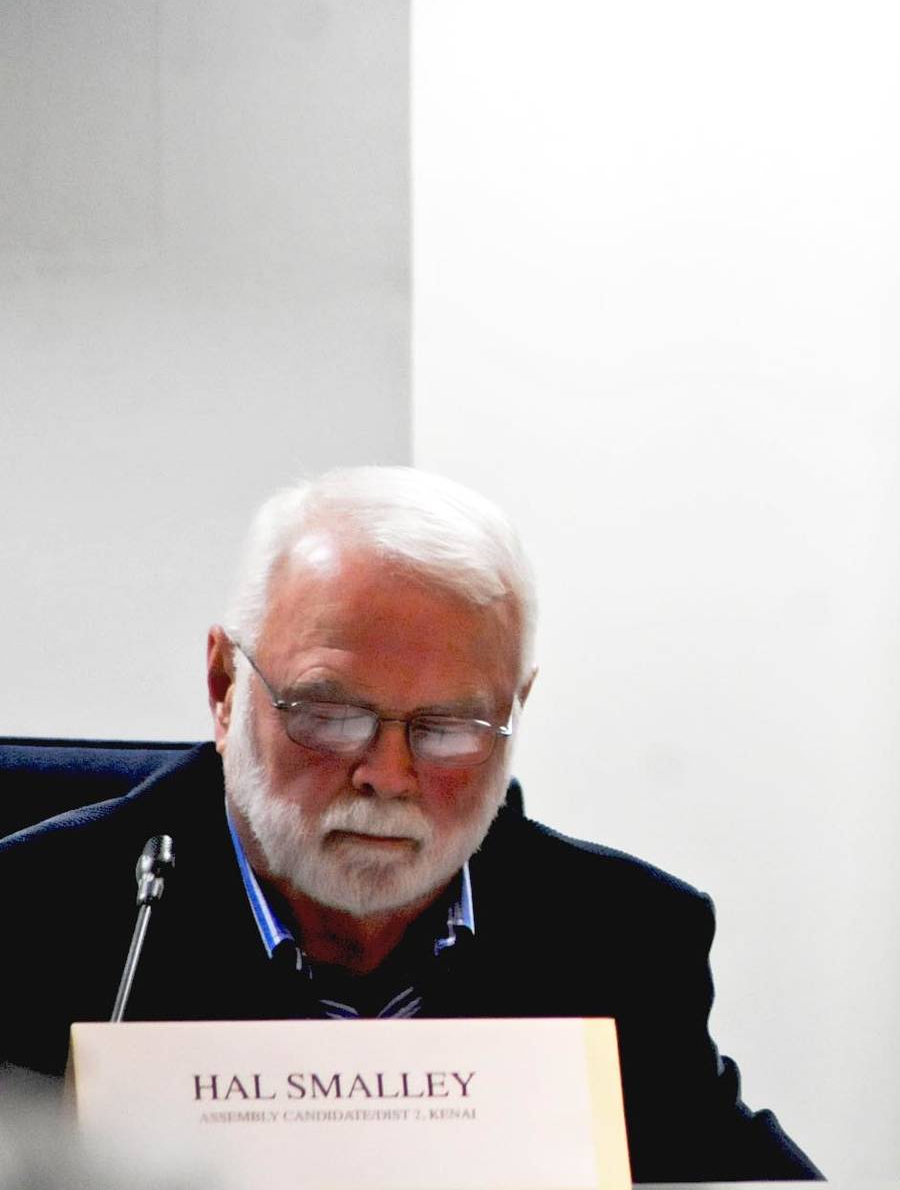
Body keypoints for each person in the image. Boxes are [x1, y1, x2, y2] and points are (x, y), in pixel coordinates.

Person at [0, 466, 817, 1183]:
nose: (388, 776)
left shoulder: (622, 939)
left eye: (448, 729)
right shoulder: (36, 918)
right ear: (223, 688)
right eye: (328, 713)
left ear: (514, 712)